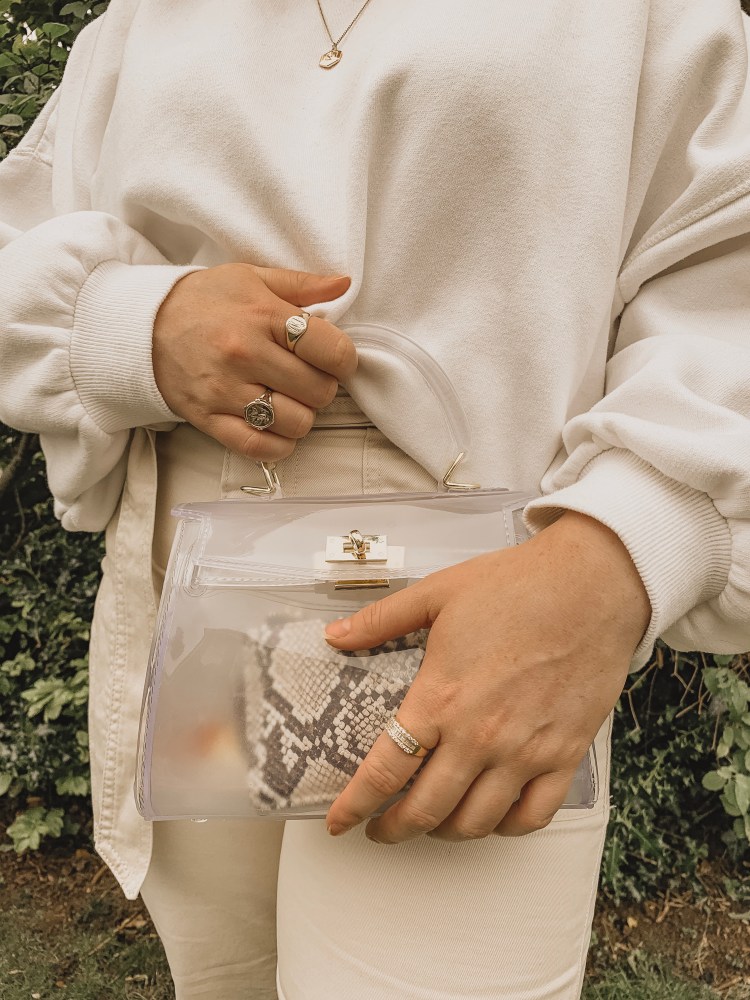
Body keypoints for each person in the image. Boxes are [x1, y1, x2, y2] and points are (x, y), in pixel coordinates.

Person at [1, 1, 749, 997]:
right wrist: (129, 324)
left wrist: (625, 553)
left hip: (497, 607)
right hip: (188, 596)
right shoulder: (145, 16)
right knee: (224, 978)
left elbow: (726, 264)